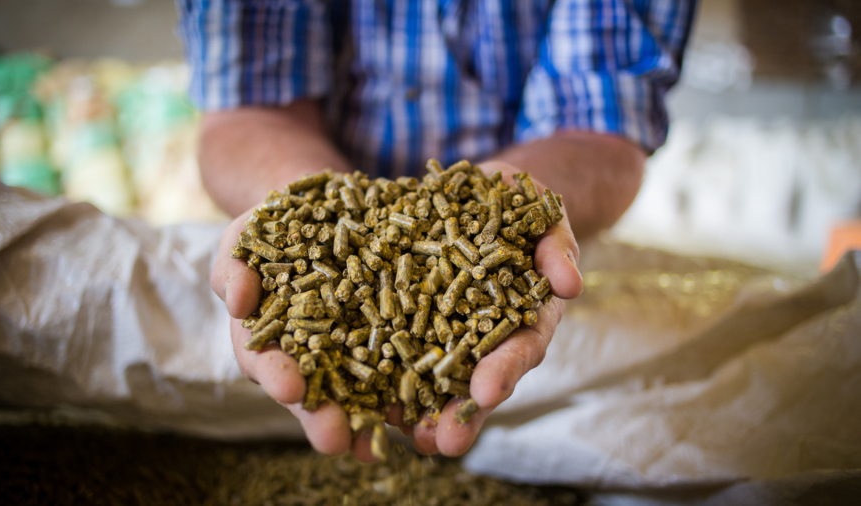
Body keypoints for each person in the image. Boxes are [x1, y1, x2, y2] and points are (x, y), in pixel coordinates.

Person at [176, 0, 696, 461]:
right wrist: (305, 200)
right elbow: (249, 109)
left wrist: (512, 202)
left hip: (550, 265)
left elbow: (598, 124)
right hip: (336, 207)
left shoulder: (477, 270)